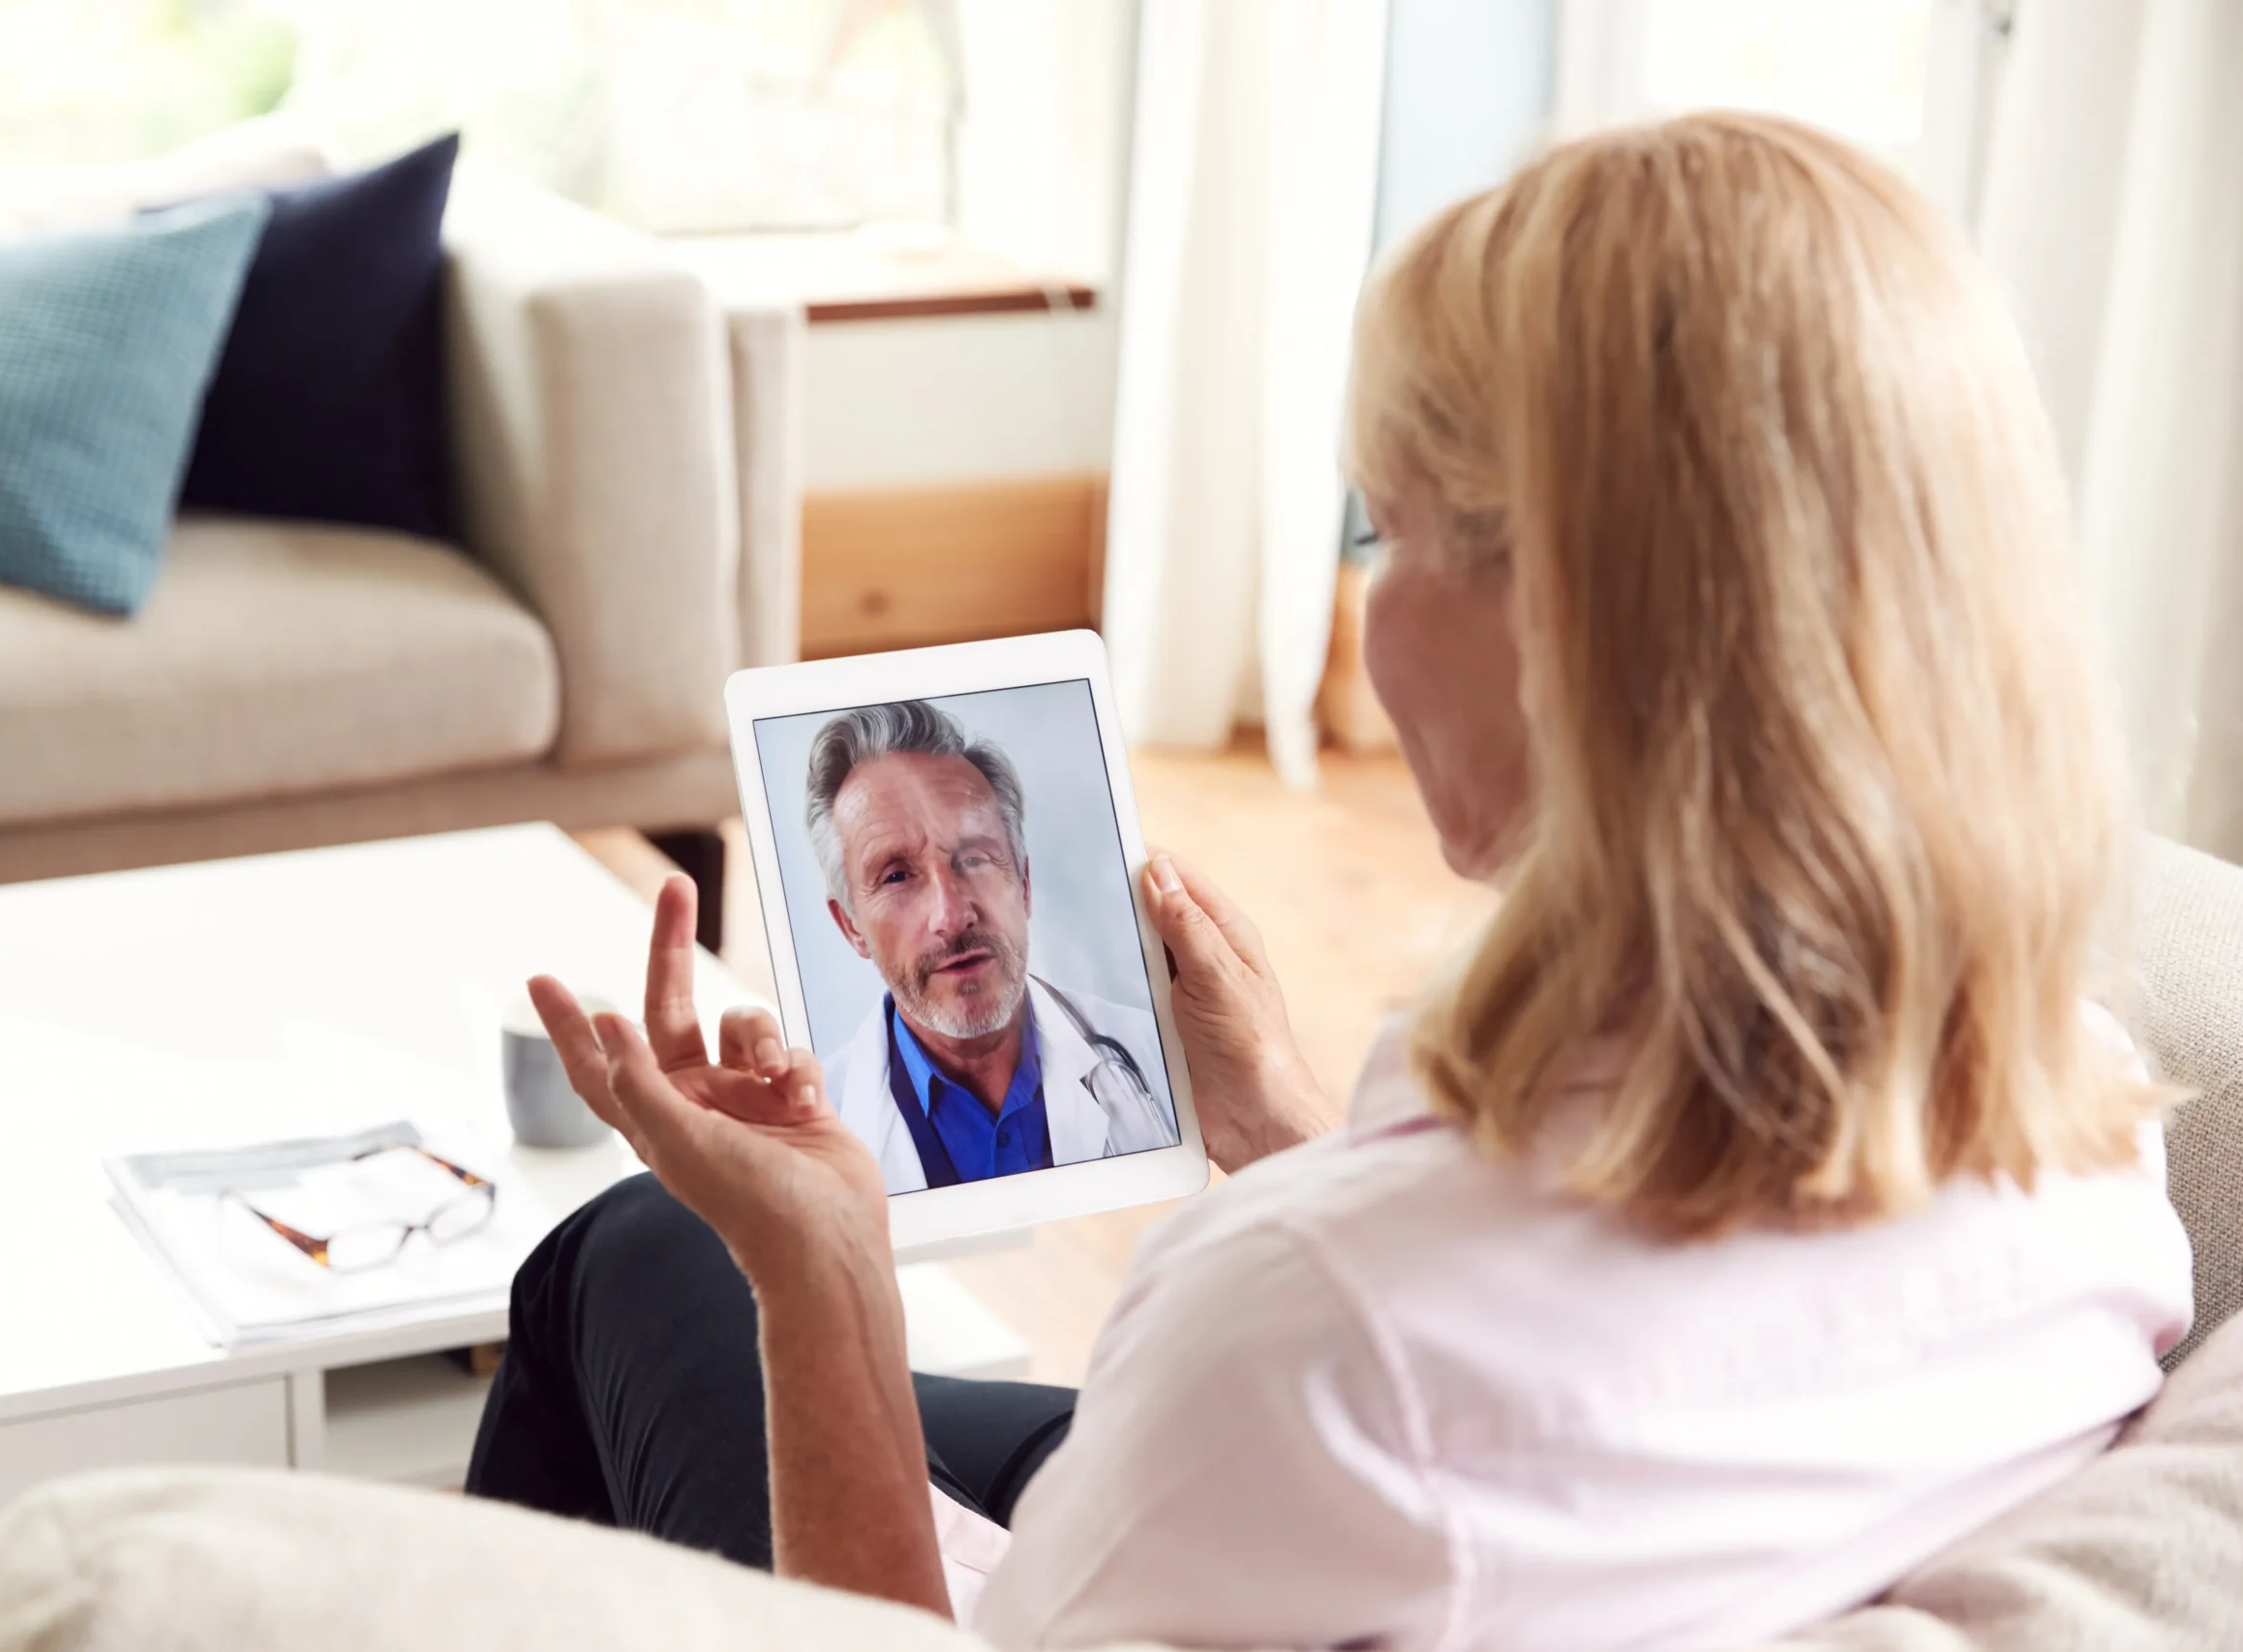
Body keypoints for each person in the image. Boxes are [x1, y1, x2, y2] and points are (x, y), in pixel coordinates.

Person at [467, 113, 2194, 1651]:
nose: (1369, 611)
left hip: (1298, 1493)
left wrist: (826, 1265)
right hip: (1381, 1526)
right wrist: (1291, 1120)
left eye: (1384, 529)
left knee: (628, 1255)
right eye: (896, 876)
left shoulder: (1310, 1322)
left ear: (1567, 626)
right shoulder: (2092, 1129)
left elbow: (1381, 1374)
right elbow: (1537, 1419)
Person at [803, 699, 1177, 1191]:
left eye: (976, 859)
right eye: (896, 876)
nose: (952, 916)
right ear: (851, 926)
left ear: (1024, 885)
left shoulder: (1158, 1057)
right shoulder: (810, 1136)